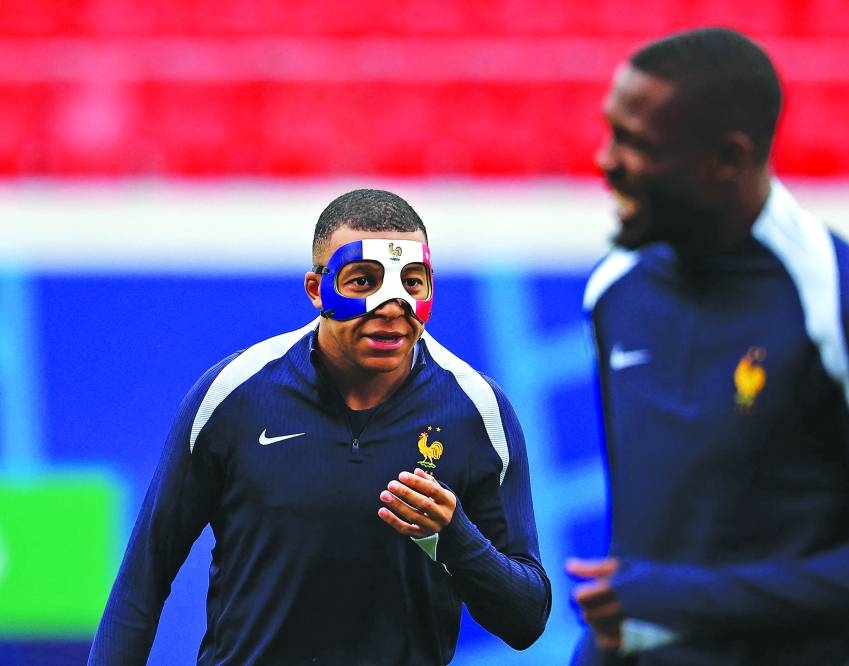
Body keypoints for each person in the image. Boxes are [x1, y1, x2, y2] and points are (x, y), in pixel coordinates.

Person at [566, 27, 849, 665]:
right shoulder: (615, 291)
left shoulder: (848, 312)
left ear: (728, 159)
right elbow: (651, 540)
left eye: (636, 143)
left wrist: (685, 601)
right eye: (611, 133)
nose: (606, 160)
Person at [89, 188, 551, 665]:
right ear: (316, 289)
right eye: (363, 281)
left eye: (412, 282)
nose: (392, 305)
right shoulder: (232, 395)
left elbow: (526, 620)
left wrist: (454, 537)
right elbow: (142, 580)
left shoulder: (477, 411)